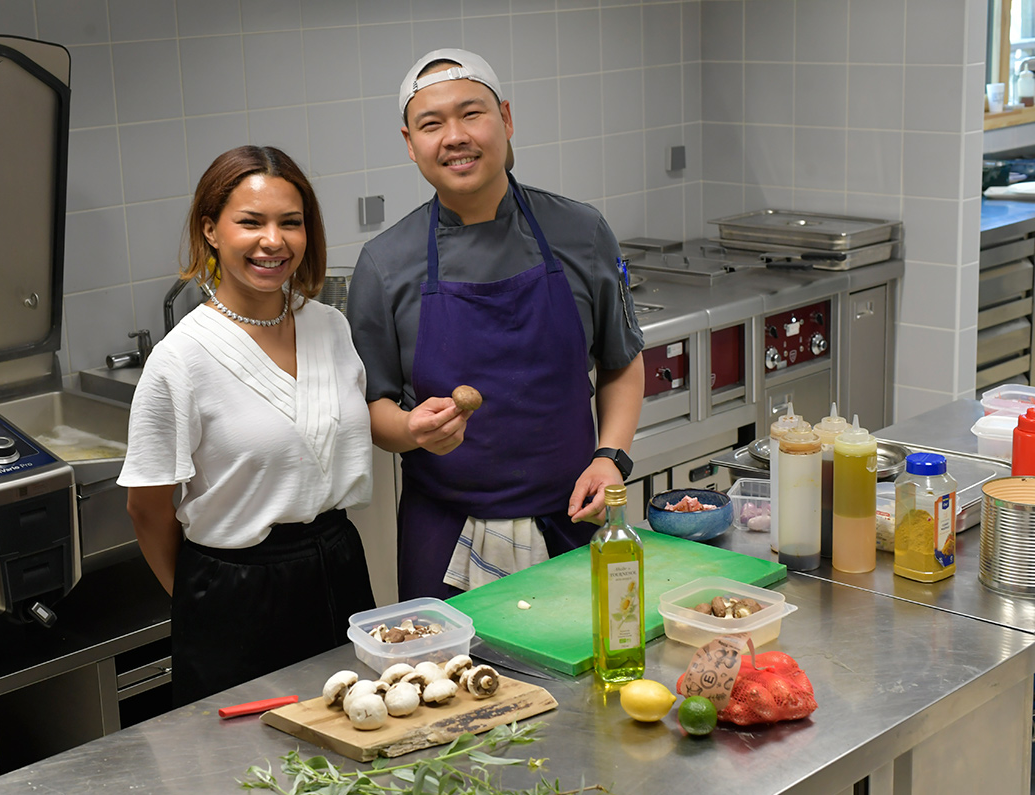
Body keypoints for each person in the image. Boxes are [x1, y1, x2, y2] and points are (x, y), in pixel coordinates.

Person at [347, 49, 646, 600]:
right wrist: (411, 430)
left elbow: (621, 360)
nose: (455, 137)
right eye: (431, 124)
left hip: (574, 518)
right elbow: (372, 405)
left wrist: (610, 458)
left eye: (471, 114)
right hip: (443, 536)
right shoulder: (385, 264)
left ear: (505, 119)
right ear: (410, 144)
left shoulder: (581, 231)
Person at [119, 146, 376, 706]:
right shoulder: (181, 358)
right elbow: (147, 506)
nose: (273, 241)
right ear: (210, 230)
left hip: (338, 566)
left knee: (356, 732)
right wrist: (202, 602)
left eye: (291, 222)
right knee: (248, 754)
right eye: (251, 222)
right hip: (234, 589)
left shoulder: (329, 326)